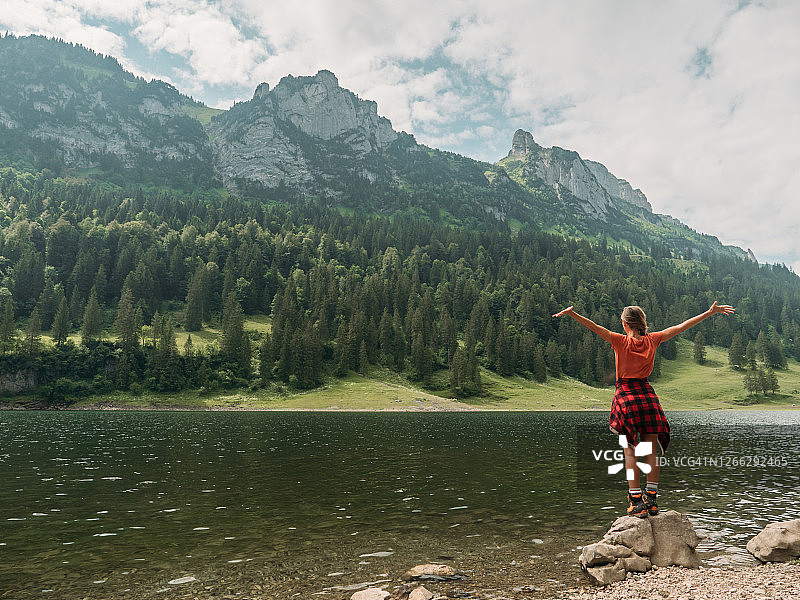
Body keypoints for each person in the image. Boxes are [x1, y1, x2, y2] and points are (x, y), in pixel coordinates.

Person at [553, 301, 735, 517]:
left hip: (626, 397)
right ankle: (652, 499)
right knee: (650, 449)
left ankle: (635, 501)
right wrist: (709, 312)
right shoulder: (653, 339)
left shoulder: (619, 341)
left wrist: (573, 315)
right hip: (647, 396)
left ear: (625, 323)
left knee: (629, 447)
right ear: (642, 323)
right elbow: (682, 326)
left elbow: (594, 327)